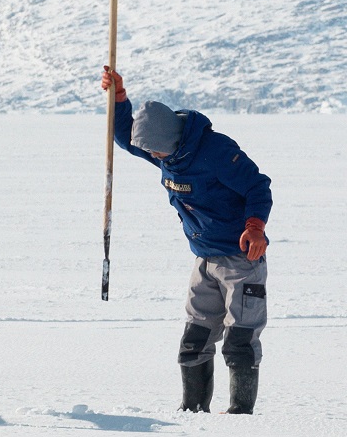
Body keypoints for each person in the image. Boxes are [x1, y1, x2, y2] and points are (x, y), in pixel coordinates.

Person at [101, 67, 273, 415]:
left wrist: (255, 225)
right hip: (204, 259)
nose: (156, 159)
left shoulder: (216, 152)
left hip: (241, 258)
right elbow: (125, 137)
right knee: (194, 339)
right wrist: (118, 98)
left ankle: (241, 415)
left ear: (172, 142)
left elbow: (258, 186)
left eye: (158, 154)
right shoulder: (166, 149)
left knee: (239, 340)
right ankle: (193, 411)